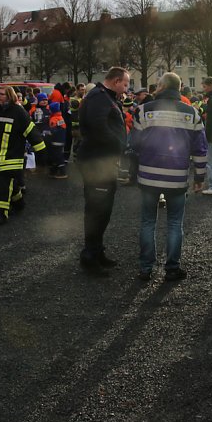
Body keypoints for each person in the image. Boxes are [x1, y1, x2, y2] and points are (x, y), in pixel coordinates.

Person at [130, 72, 207, 282]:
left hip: (148, 177)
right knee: (174, 223)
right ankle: (172, 268)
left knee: (148, 222)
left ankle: (145, 269)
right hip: (177, 177)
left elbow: (134, 144)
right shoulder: (192, 113)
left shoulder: (143, 110)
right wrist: (199, 177)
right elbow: (200, 149)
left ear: (162, 86)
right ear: (180, 88)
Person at [76, 66, 130, 275]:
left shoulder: (106, 97)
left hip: (103, 160)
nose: (126, 88)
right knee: (97, 210)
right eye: (125, 83)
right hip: (96, 161)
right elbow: (98, 126)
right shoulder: (99, 97)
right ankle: (89, 256)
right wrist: (117, 145)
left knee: (103, 210)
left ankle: (96, 251)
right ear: (116, 81)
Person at [0, 85, 45, 225]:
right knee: (11, 183)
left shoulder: (19, 112)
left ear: (10, 96)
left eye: (2, 94)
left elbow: (32, 132)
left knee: (4, 183)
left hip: (13, 157)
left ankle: (1, 213)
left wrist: (41, 153)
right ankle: (18, 203)